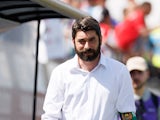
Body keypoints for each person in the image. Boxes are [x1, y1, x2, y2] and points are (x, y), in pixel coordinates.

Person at [41, 16, 136, 120]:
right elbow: (50, 116)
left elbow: (127, 113)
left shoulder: (120, 71)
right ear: (73, 42)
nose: (87, 46)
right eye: (82, 41)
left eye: (92, 40)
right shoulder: (60, 73)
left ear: (100, 39)